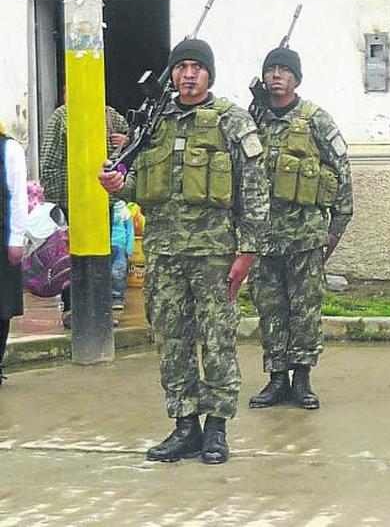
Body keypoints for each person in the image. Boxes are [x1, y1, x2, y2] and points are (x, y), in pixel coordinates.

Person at [98, 39, 269, 465]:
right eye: (181, 67)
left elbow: (254, 189)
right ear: (171, 74)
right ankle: (184, 424)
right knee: (172, 339)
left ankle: (216, 429)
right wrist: (120, 187)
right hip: (165, 254)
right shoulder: (155, 122)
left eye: (197, 67)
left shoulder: (232, 121)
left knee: (216, 340)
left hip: (215, 254)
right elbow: (141, 185)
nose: (188, 74)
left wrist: (248, 250)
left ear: (210, 74)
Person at [248, 46, 353, 411]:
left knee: (305, 308)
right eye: (270, 70)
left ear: (296, 79)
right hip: (262, 236)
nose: (276, 75)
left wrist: (337, 227)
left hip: (305, 235)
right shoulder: (253, 120)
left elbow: (341, 169)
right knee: (270, 307)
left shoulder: (315, 120)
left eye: (283, 70)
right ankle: (276, 377)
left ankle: (303, 378)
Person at [39, 91, 128, 327]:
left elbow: (133, 148)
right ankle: (71, 309)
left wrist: (126, 141)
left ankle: (102, 310)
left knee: (104, 255)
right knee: (69, 257)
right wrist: (56, 201)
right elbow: (49, 161)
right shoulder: (62, 116)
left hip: (103, 199)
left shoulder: (112, 117)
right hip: (71, 200)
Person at [0, 122, 28, 386]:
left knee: (1, 306)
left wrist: (16, 238)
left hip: (2, 236)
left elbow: (18, 196)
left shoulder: (9, 149)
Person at [109, 199, 134, 310]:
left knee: (118, 273)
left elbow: (130, 230)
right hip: (112, 245)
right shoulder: (125, 210)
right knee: (116, 273)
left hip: (119, 246)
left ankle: (117, 298)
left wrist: (129, 249)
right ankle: (113, 297)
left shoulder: (125, 211)